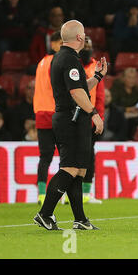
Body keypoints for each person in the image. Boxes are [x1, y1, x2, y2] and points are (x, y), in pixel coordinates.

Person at [33, 20, 107, 231]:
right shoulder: (70, 60)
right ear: (79, 38)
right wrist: (94, 113)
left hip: (72, 118)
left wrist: (98, 76)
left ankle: (80, 220)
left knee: (80, 170)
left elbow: (80, 87)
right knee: (70, 168)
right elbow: (76, 93)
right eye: (83, 34)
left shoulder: (63, 58)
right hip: (71, 119)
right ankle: (45, 214)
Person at [33, 31, 62, 205]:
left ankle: (42, 194)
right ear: (53, 44)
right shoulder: (56, 61)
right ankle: (62, 192)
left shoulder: (41, 63)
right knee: (65, 156)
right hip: (55, 112)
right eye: (61, 43)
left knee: (45, 157)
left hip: (40, 113)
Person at [80, 36, 105, 204]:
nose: (87, 49)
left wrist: (99, 117)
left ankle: (86, 193)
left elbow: (100, 96)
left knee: (89, 156)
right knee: (73, 156)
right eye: (84, 46)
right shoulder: (73, 65)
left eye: (89, 46)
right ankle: (70, 192)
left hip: (90, 118)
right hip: (75, 118)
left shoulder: (96, 66)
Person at [110, 67, 138, 140]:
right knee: (123, 118)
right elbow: (112, 104)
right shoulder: (116, 87)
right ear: (124, 78)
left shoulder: (136, 89)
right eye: (129, 77)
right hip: (118, 115)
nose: (132, 80)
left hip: (134, 116)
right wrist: (127, 109)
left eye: (134, 78)